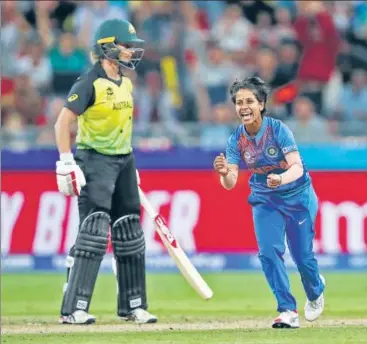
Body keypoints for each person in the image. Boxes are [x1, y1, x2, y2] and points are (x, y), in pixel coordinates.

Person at [54, 18, 157, 325]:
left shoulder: (125, 83)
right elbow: (62, 122)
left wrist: (130, 165)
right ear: (107, 46)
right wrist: (66, 161)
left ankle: (133, 305)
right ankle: (75, 308)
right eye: (126, 46)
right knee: (94, 231)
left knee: (130, 232)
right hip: (94, 160)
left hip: (124, 160)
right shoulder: (89, 82)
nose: (131, 52)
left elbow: (124, 127)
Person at [213, 76, 325, 329]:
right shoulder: (236, 139)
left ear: (261, 104)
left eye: (249, 101)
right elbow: (231, 182)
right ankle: (287, 310)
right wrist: (223, 174)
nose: (244, 106)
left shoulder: (278, 130)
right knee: (268, 253)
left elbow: (296, 167)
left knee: (303, 258)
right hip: (265, 199)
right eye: (239, 102)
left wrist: (281, 179)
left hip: (298, 196)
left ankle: (316, 290)